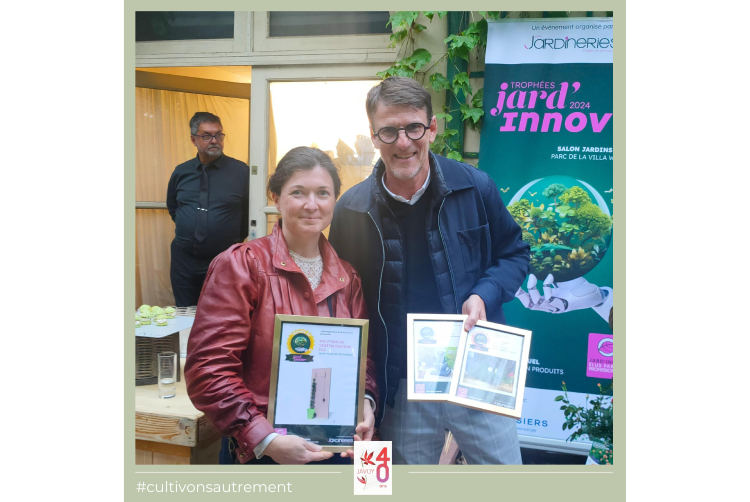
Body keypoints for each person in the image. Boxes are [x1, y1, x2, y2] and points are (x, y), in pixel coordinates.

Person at [328, 76, 530, 464]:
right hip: (401, 383)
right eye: (389, 130)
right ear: (373, 136)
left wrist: (483, 294)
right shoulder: (351, 211)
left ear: (432, 129)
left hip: (478, 372)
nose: (403, 142)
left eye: (413, 128)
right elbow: (342, 306)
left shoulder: (474, 187)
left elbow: (515, 254)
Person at [185, 146, 378, 465]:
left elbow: (363, 359)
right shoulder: (242, 265)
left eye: (323, 193)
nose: (312, 205)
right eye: (298, 192)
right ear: (275, 196)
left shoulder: (348, 277)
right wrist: (266, 438)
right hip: (264, 452)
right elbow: (208, 367)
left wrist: (366, 401)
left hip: (337, 448)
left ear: (334, 201)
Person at [166, 112, 249, 307]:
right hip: (183, 260)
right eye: (207, 136)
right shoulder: (181, 172)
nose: (214, 141)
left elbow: (249, 214)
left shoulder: (241, 172)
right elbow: (173, 207)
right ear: (193, 140)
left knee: (221, 314)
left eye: (219, 135)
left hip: (223, 260)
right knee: (185, 314)